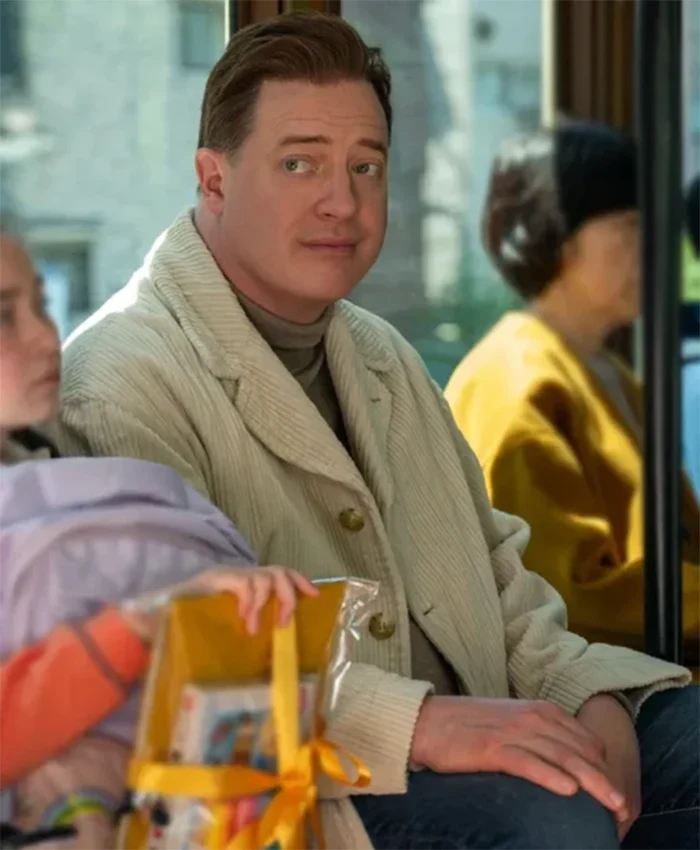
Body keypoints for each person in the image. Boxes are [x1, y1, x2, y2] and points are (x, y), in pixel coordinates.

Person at [57, 13, 698, 849]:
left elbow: (501, 580)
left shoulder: (381, 351)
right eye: (300, 163)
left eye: (366, 166)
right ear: (213, 178)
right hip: (301, 791)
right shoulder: (118, 381)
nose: (343, 201)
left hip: (487, 731)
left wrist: (589, 695)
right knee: (554, 822)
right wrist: (421, 726)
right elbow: (174, 677)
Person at [0, 230, 317, 847]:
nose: (45, 337)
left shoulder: (69, 481)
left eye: (41, 304)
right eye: (3, 317)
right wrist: (139, 626)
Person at [445, 122, 700, 656]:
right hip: (600, 684)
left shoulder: (606, 372)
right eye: (631, 230)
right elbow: (567, 591)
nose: (654, 251)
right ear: (558, 238)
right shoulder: (517, 384)